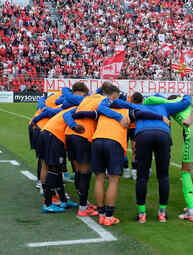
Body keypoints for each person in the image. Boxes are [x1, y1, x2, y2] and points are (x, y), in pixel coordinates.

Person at [89, 88, 170, 226]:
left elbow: (88, 112)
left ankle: (101, 213)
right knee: (113, 181)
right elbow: (144, 113)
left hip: (97, 141)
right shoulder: (129, 111)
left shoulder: (104, 108)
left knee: (99, 179)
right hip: (114, 142)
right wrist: (160, 117)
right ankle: (109, 216)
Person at [109, 94, 191, 223]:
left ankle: (142, 214)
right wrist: (185, 95)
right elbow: (186, 102)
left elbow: (115, 102)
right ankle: (162, 214)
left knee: (142, 176)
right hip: (162, 135)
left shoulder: (138, 106)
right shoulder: (165, 105)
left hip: (143, 135)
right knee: (163, 176)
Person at [143, 93, 193, 222]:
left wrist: (163, 99)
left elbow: (149, 100)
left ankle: (192, 213)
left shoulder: (170, 103)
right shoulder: (191, 101)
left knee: (186, 171)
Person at [63, 82, 128, 217]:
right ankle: (83, 207)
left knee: (79, 171)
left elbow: (67, 114)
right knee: (85, 172)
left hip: (70, 134)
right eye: (114, 98)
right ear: (109, 95)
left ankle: (83, 203)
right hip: (84, 136)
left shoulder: (87, 99)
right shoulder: (103, 100)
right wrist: (119, 116)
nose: (114, 101)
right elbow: (102, 108)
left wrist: (73, 125)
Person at [36, 83, 89, 213]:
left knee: (57, 169)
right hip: (53, 137)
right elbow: (66, 116)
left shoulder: (67, 107)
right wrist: (74, 126)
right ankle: (47, 203)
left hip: (48, 134)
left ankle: (63, 200)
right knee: (53, 170)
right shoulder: (76, 108)